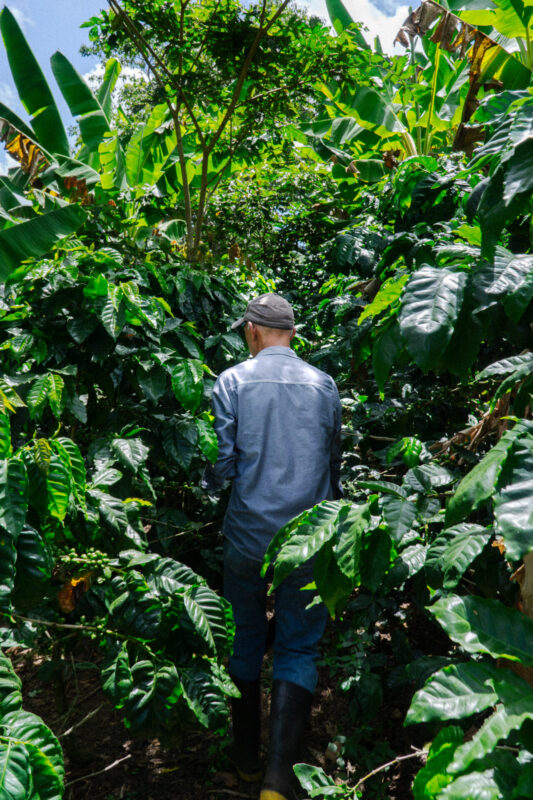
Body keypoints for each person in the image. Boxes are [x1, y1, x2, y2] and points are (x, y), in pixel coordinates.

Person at [202, 292, 342, 800]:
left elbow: (222, 465)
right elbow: (332, 464)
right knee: (297, 645)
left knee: (243, 634)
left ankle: (243, 759)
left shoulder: (232, 381)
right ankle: (278, 779)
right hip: (308, 538)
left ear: (254, 332)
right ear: (293, 336)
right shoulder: (323, 385)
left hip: (246, 534)